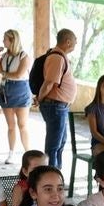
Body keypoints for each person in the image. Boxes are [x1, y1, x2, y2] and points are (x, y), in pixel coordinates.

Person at [35, 29, 78, 169]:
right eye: (75, 41)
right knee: (53, 145)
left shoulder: (61, 57)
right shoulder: (57, 58)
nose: (76, 44)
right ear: (68, 42)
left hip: (60, 106)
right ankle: (50, 174)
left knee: (60, 142)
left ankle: (56, 173)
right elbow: (49, 83)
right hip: (55, 106)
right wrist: (40, 98)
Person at [0, 29, 32, 166]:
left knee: (22, 125)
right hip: (6, 90)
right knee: (10, 126)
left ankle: (29, 153)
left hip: (20, 89)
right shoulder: (3, 56)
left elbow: (18, 75)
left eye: (5, 39)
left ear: (12, 40)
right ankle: (11, 153)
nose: (3, 41)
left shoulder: (24, 56)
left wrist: (3, 73)